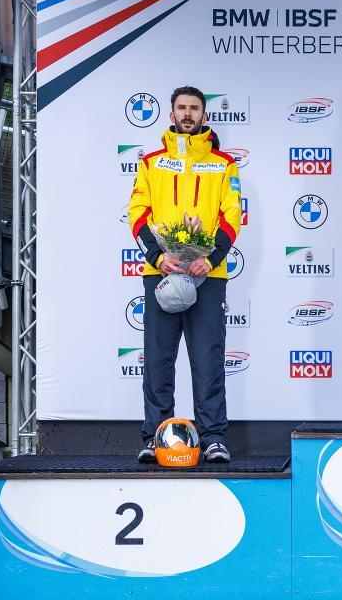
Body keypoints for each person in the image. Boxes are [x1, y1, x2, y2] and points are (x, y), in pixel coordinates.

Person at [128, 86, 242, 463]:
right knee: (158, 359)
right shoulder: (152, 163)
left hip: (208, 274)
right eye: (182, 108)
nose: (188, 113)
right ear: (172, 114)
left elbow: (232, 215)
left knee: (208, 359)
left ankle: (213, 438)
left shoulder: (224, 164)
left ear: (204, 115)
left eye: (194, 108)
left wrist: (212, 259)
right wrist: (157, 255)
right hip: (161, 272)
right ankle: (156, 435)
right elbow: (138, 214)